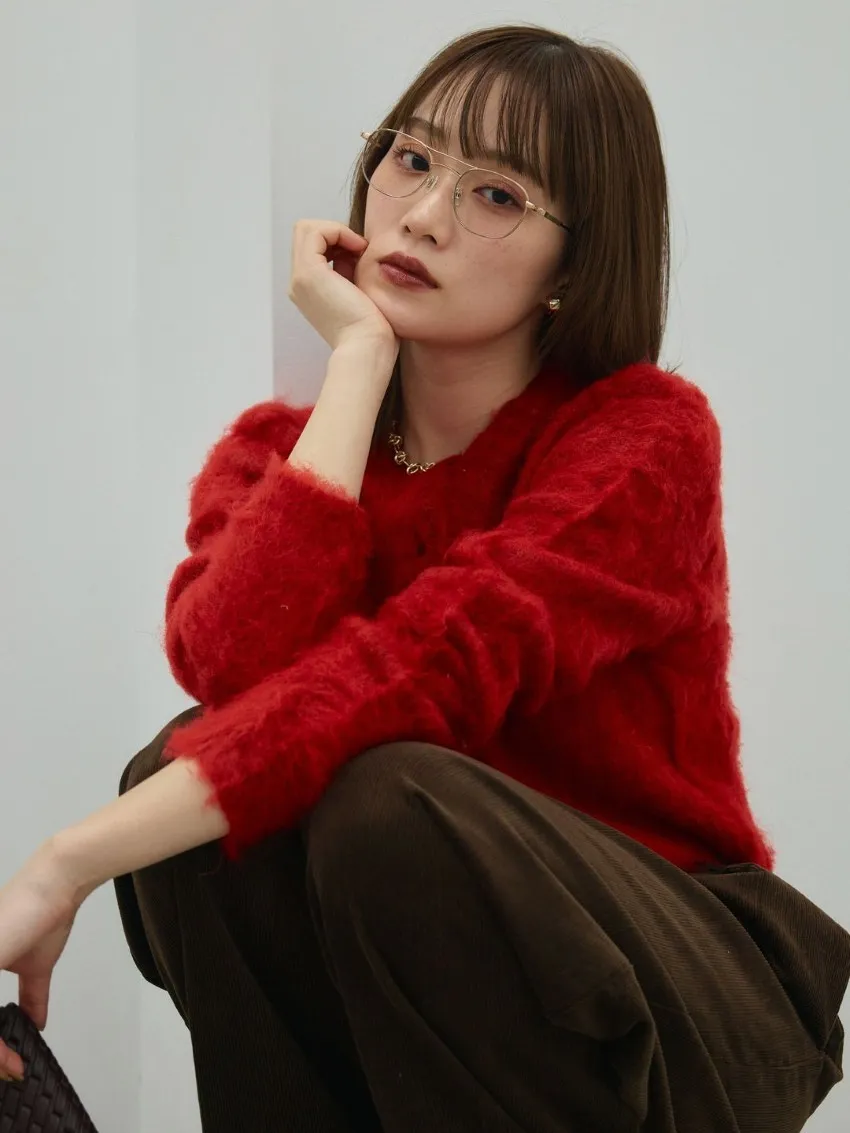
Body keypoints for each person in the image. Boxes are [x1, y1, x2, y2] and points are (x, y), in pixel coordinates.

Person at [0, 21, 847, 1133]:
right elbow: (231, 680)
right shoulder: (282, 456)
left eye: (497, 195)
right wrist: (358, 364)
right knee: (180, 772)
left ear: (574, 264)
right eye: (411, 158)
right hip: (426, 1000)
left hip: (675, 983)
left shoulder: (642, 440)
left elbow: (422, 668)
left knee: (383, 796)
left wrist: (66, 860)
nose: (425, 214)